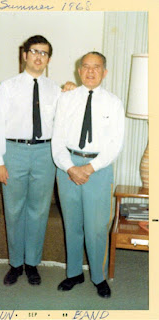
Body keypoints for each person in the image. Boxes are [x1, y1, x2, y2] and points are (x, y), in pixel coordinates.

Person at [0, 35, 62, 286]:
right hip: (14, 152)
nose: (39, 56)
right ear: (25, 55)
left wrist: (73, 89)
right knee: (14, 209)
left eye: (44, 53)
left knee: (39, 210)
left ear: (48, 59)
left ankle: (32, 263)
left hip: (45, 154)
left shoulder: (56, 90)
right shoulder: (7, 87)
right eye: (34, 51)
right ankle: (15, 264)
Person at [52, 52, 125, 298]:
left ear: (104, 72)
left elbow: (115, 144)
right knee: (72, 224)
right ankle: (74, 273)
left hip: (99, 169)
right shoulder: (66, 98)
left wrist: (89, 168)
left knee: (95, 227)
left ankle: (98, 277)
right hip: (67, 167)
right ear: (79, 71)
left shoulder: (114, 103)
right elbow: (57, 139)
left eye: (96, 67)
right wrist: (70, 167)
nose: (90, 71)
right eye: (85, 67)